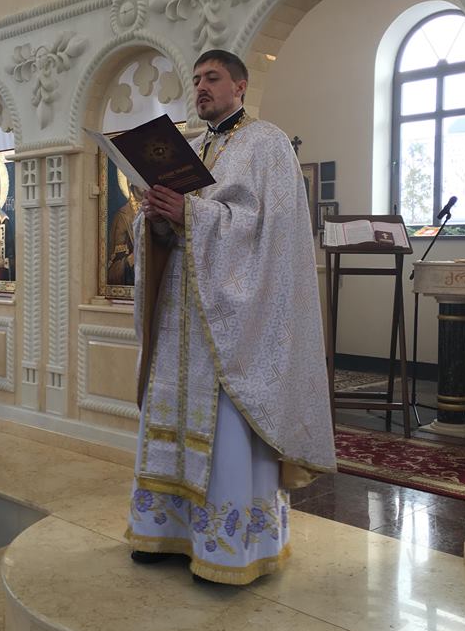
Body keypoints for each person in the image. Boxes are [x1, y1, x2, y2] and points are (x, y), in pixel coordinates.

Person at [125, 49, 336, 585]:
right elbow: (166, 230)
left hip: (232, 326)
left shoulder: (266, 144)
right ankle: (164, 530)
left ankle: (225, 548)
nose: (201, 87)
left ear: (239, 86)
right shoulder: (192, 147)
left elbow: (268, 233)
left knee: (226, 431)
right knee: (171, 417)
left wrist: (192, 214)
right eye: (196, 79)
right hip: (179, 316)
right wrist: (155, 219)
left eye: (213, 78)